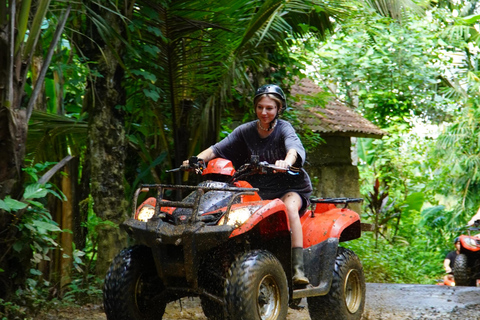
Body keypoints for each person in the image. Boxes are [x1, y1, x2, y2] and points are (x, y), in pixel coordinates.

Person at [183, 84, 312, 286]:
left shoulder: (284, 128)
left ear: (278, 109)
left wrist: (286, 161)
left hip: (289, 188)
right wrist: (196, 160)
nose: (264, 112)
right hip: (256, 190)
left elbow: (293, 148)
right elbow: (217, 148)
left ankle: (297, 269)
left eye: (269, 108)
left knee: (289, 209)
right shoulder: (246, 130)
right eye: (260, 107)